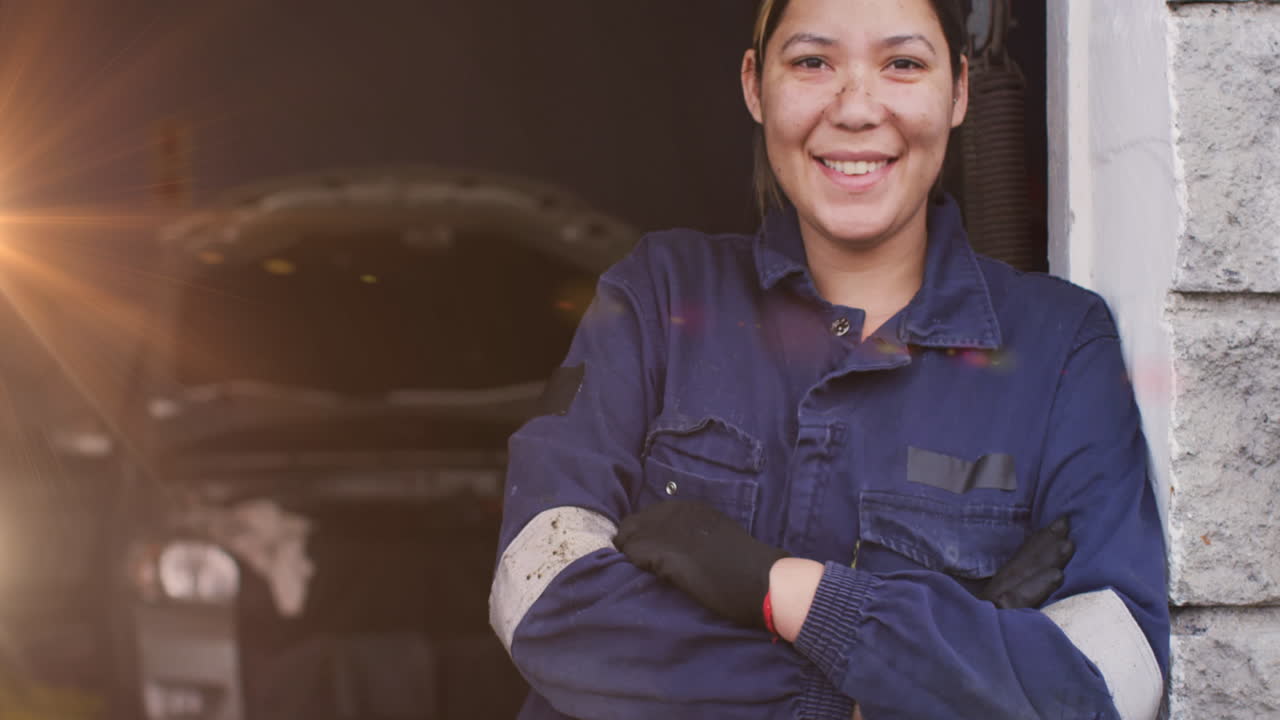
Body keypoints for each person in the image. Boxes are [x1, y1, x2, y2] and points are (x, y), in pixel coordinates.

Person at [489, 0, 1169, 717]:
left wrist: (783, 588)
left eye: (902, 64)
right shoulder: (657, 298)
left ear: (960, 90)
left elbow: (1107, 684)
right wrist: (890, 683)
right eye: (813, 62)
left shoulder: (1061, 348)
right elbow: (542, 596)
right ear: (756, 84)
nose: (856, 110)